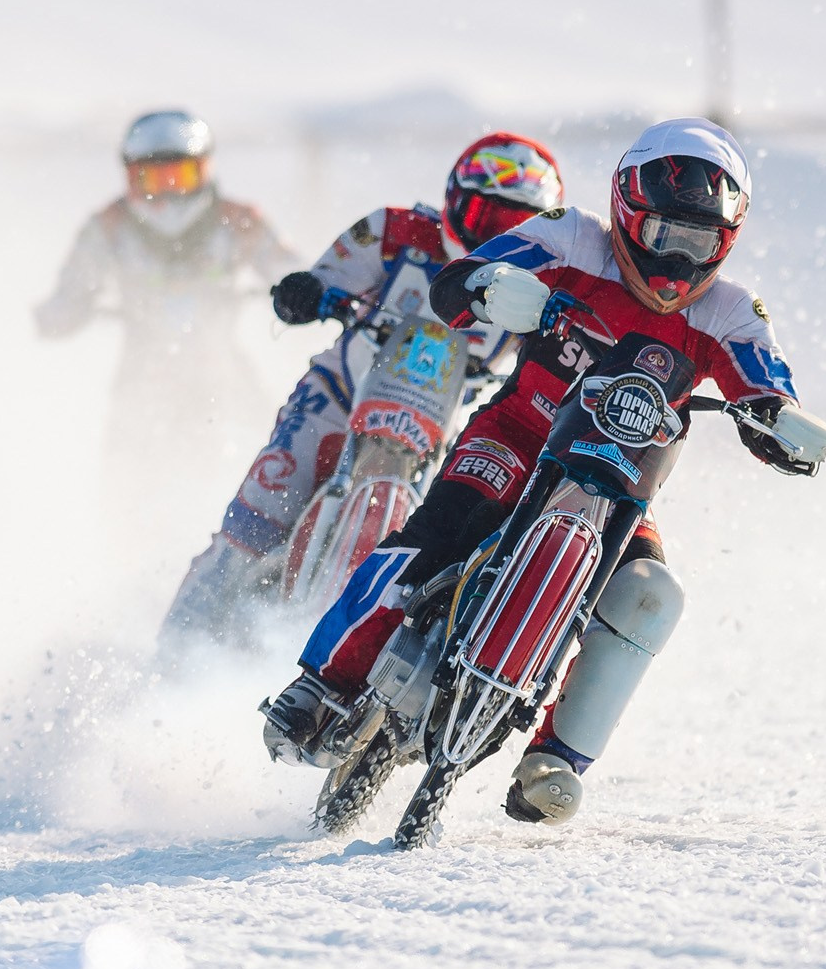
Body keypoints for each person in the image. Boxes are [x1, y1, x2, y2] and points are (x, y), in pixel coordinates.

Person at [261, 118, 815, 824]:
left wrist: (778, 421)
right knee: (433, 535)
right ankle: (324, 680)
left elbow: (768, 382)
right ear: (627, 212)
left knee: (648, 595)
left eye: (699, 243)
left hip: (619, 482)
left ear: (726, 243)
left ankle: (555, 760)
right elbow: (460, 279)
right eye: (663, 234)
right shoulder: (571, 237)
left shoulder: (732, 311)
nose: (677, 262)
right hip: (517, 437)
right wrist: (492, 287)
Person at [160, 133, 565, 646]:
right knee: (258, 513)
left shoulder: (545, 284)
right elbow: (323, 278)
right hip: (338, 395)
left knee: (452, 541)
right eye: (487, 217)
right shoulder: (394, 232)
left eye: (514, 225)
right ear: (455, 202)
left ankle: (383, 641)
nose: (495, 238)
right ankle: (177, 642)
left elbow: (569, 348)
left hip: (439, 428)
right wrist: (305, 293)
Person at [35, 111, 297, 539]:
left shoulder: (238, 219)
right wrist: (60, 313)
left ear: (205, 169)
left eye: (180, 175)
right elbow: (70, 291)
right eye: (153, 179)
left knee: (279, 449)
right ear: (131, 177)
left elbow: (293, 269)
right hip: (142, 374)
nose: (169, 192)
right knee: (123, 479)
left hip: (222, 367)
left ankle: (276, 539)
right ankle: (124, 549)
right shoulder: (108, 227)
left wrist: (297, 290)